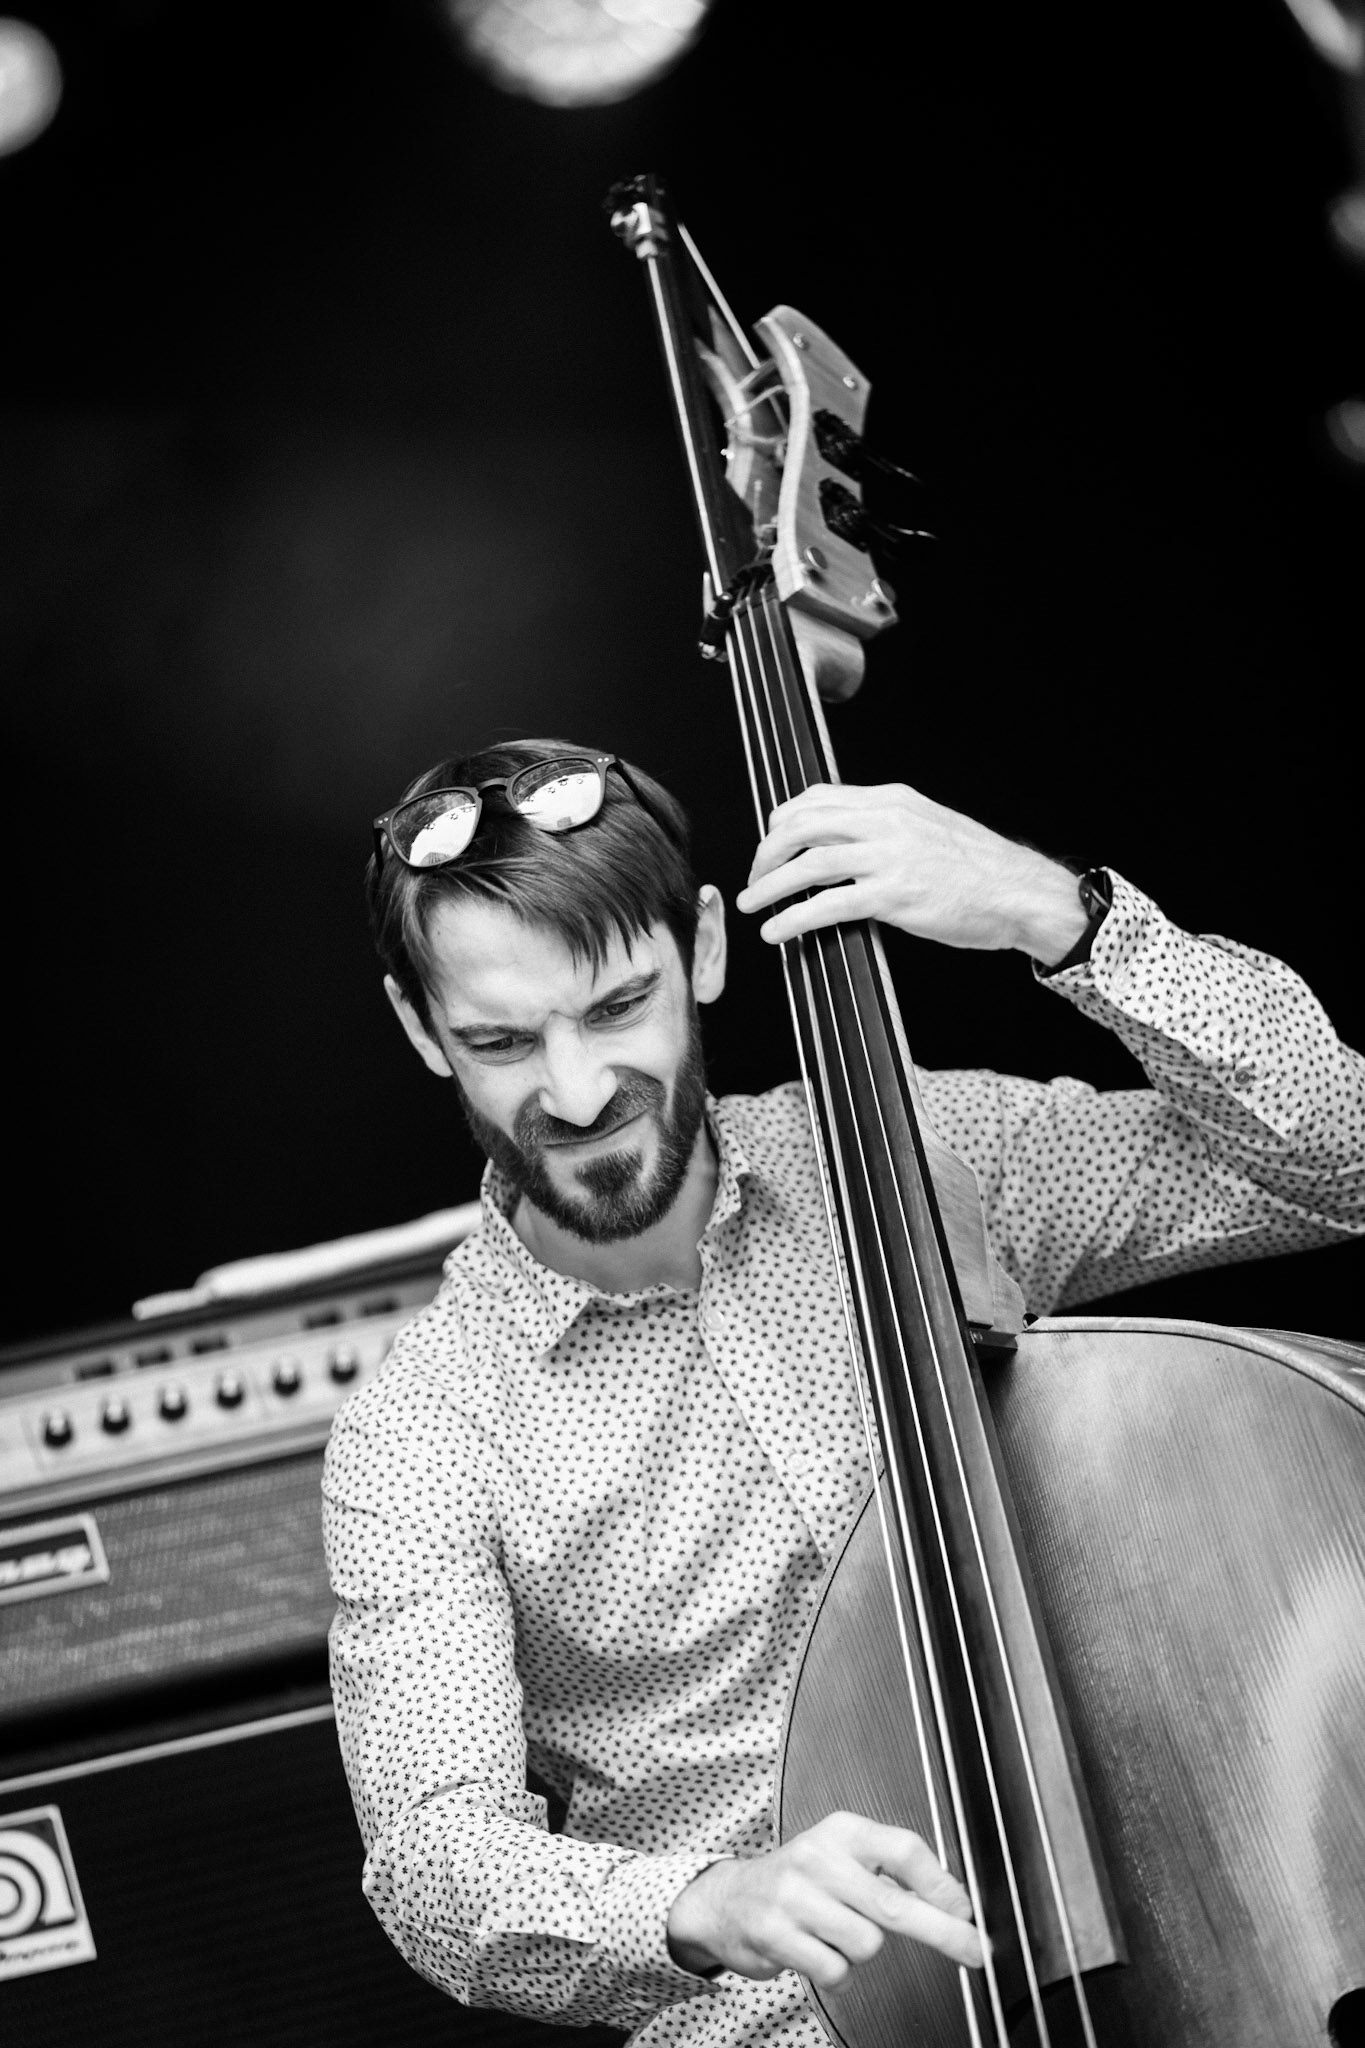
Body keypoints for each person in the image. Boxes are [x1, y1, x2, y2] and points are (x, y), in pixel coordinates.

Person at [322, 737, 1364, 2048]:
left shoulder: (920, 1155)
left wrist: (1062, 915)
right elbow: (433, 1867)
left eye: (615, 1006)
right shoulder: (421, 1434)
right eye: (499, 1040)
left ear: (703, 949)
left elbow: (1340, 1156)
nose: (577, 1089)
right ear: (422, 1030)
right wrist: (707, 1900)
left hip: (1191, 1943)